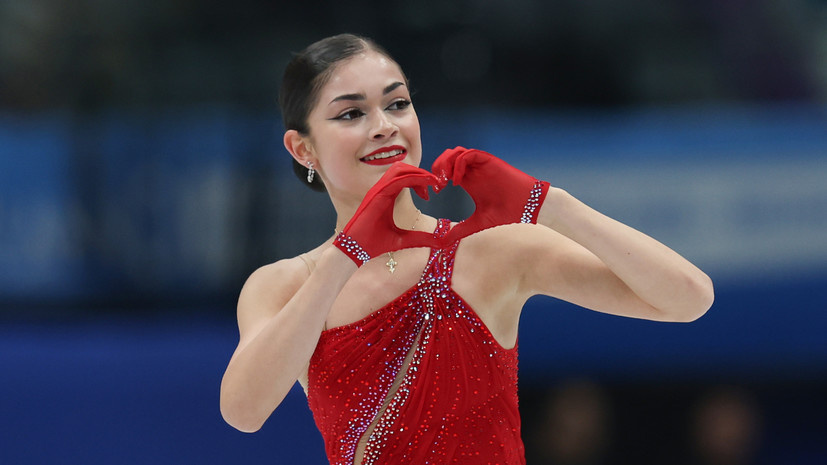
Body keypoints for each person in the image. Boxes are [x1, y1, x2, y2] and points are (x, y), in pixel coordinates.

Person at [219, 33, 714, 465]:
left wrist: (552, 205)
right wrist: (343, 256)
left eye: (397, 104)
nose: (384, 125)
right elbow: (243, 412)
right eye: (351, 113)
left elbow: (689, 298)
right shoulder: (285, 284)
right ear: (302, 148)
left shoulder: (491, 252)